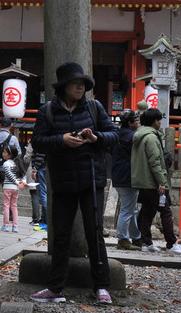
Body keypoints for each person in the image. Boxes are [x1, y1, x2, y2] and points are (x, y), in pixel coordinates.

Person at [29, 62, 117, 305]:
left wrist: (95, 137)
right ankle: (56, 287)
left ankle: (101, 286)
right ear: (63, 86)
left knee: (95, 232)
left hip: (91, 179)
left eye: (84, 83)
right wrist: (61, 140)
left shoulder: (93, 107)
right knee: (61, 235)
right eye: (76, 83)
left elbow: (114, 135)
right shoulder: (47, 111)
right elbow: (37, 141)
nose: (81, 86)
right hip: (63, 179)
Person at [131, 108, 181, 254]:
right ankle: (171, 243)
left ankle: (146, 242)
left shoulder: (140, 135)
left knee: (148, 210)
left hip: (143, 179)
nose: (160, 123)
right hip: (152, 181)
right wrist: (161, 182)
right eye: (159, 120)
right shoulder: (151, 137)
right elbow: (155, 161)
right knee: (165, 210)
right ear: (155, 121)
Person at [112, 109, 141, 250]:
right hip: (129, 175)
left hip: (117, 174)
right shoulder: (133, 137)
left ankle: (136, 237)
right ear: (130, 123)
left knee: (131, 208)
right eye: (136, 120)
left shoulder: (116, 135)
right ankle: (122, 238)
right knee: (127, 210)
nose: (138, 122)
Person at [0, 143, 28, 232]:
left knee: (6, 206)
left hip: (8, 187)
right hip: (16, 188)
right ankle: (15, 226)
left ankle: (6, 225)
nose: (3, 153)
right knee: (14, 206)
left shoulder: (6, 164)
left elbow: (9, 174)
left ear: (9, 154)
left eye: (4, 152)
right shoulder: (17, 164)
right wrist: (23, 182)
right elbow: (23, 174)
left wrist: (16, 181)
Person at [27, 141, 48, 231]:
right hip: (45, 167)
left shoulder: (41, 139)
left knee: (43, 195)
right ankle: (44, 220)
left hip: (41, 167)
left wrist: (35, 168)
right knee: (44, 195)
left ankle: (45, 222)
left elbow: (40, 154)